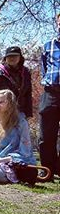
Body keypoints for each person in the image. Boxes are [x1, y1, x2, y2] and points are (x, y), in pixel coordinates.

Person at [39, 12, 60, 179]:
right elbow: (44, 67)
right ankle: (47, 170)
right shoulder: (48, 45)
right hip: (51, 92)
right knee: (46, 134)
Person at [0, 46, 32, 118]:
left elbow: (28, 93)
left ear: (20, 58)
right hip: (2, 111)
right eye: (9, 56)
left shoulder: (26, 73)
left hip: (20, 110)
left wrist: (28, 113)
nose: (12, 58)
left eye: (15, 56)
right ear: (5, 58)